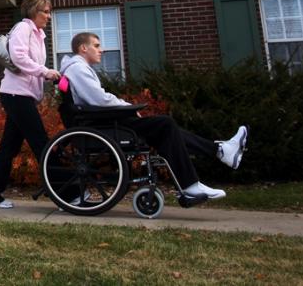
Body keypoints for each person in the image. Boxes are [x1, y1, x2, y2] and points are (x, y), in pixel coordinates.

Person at [59, 32, 248, 200]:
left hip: (102, 121)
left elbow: (97, 100)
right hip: (100, 125)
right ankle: (210, 163)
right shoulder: (77, 69)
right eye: (97, 45)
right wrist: (129, 108)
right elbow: (99, 99)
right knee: (165, 124)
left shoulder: (79, 68)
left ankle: (215, 156)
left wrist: (128, 109)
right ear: (83, 48)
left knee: (166, 130)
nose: (102, 50)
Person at [0, 0, 60, 208]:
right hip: (16, 95)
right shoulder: (23, 29)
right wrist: (46, 72)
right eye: (46, 11)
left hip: (23, 96)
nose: (48, 16)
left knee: (9, 147)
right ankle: (66, 194)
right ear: (34, 11)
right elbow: (19, 58)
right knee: (41, 142)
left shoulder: (38, 34)